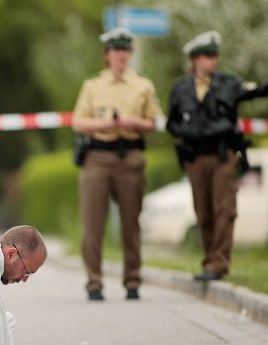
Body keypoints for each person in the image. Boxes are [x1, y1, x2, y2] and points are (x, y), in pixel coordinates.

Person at [166, 31, 268, 281]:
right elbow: (171, 123)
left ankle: (217, 263)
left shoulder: (229, 83)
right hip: (195, 158)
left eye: (215, 56)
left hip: (223, 155)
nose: (213, 60)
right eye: (208, 56)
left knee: (224, 208)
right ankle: (210, 259)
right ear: (195, 59)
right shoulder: (180, 89)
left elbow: (256, 92)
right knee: (203, 211)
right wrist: (187, 131)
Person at [71, 27, 163, 301]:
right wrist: (105, 124)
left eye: (125, 49)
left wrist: (131, 122)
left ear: (130, 53)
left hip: (130, 158)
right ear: (107, 54)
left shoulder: (143, 85)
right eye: (115, 50)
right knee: (92, 224)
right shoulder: (92, 85)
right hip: (97, 157)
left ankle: (132, 280)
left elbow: (153, 122)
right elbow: (78, 121)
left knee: (130, 223)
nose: (120, 54)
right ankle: (94, 282)